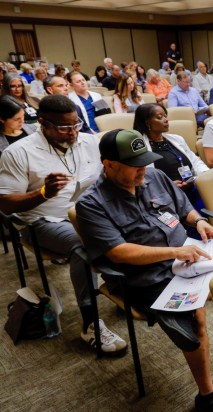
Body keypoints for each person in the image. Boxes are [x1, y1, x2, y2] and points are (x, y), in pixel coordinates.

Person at [75, 129, 213, 412]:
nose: (143, 171)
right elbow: (118, 252)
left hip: (188, 257)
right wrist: (175, 252)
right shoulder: (91, 204)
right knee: (195, 320)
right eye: (135, 166)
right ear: (108, 164)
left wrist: (198, 222)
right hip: (144, 276)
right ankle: (208, 397)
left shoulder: (154, 176)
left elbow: (184, 209)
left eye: (145, 162)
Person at [0, 95, 126, 355]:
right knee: (84, 245)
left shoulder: (89, 141)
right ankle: (90, 323)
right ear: (42, 124)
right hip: (43, 221)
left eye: (76, 125)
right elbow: (6, 204)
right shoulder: (18, 152)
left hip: (90, 213)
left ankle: (122, 291)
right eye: (64, 128)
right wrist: (43, 193)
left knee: (129, 223)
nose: (72, 132)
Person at [133, 104, 208, 210]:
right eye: (160, 117)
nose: (166, 120)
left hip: (193, 189)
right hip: (165, 197)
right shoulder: (140, 147)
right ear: (147, 122)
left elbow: (195, 160)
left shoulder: (177, 139)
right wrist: (167, 185)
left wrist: (204, 175)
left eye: (165, 116)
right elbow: (141, 178)